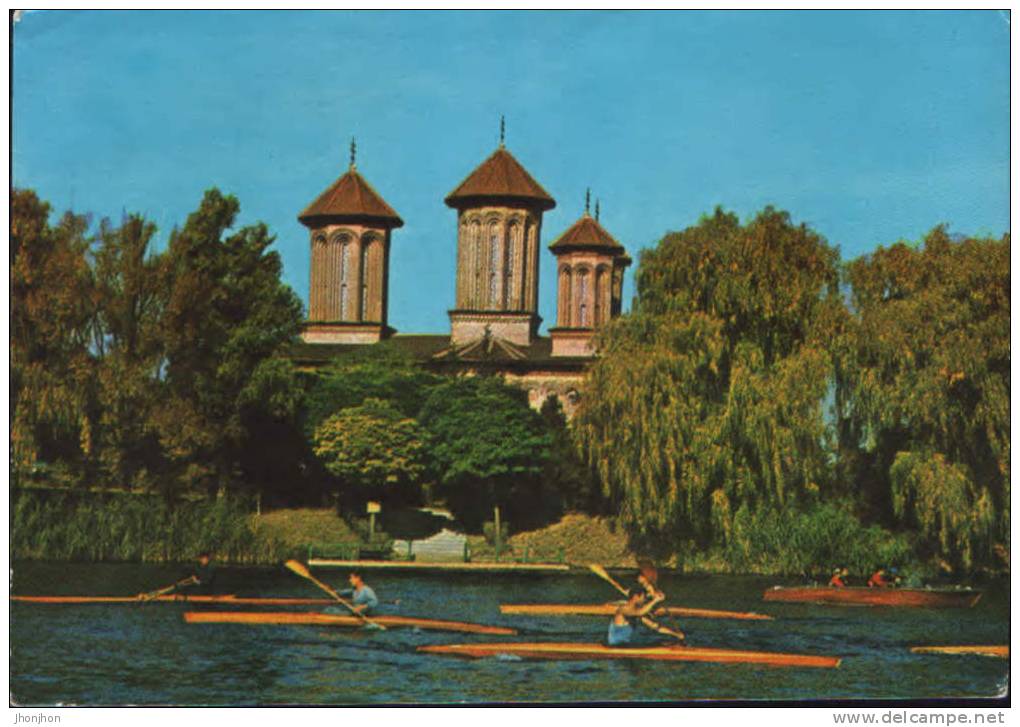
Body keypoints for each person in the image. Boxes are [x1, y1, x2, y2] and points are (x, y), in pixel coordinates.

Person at [139, 552, 216, 600]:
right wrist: (193, 578)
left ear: (207, 559)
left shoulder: (211, 568)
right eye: (200, 558)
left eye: (203, 559)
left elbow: (208, 582)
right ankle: (152, 595)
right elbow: (193, 574)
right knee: (178, 585)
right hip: (196, 586)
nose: (201, 560)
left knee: (183, 586)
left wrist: (197, 581)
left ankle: (179, 596)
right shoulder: (198, 566)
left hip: (206, 589)